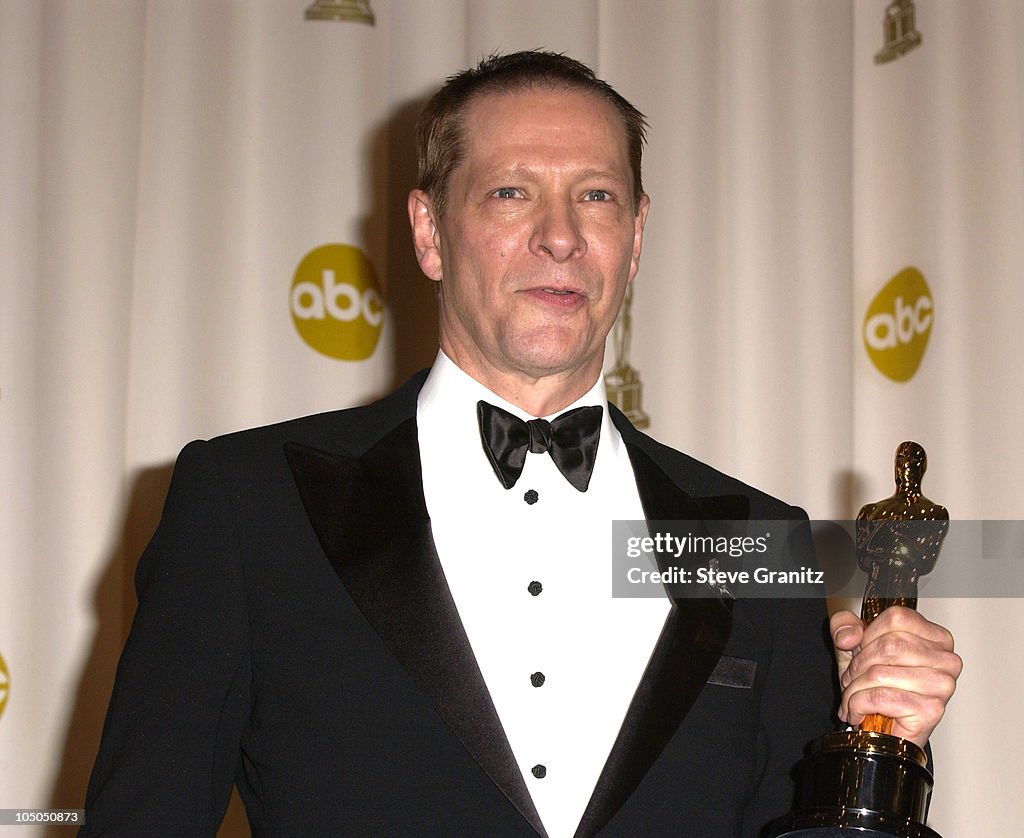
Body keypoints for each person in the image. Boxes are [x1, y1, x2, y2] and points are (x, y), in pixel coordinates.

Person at [81, 51, 961, 837]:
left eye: (597, 196)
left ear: (637, 234)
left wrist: (877, 746)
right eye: (512, 192)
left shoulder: (757, 542)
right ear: (429, 231)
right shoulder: (249, 504)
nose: (562, 235)